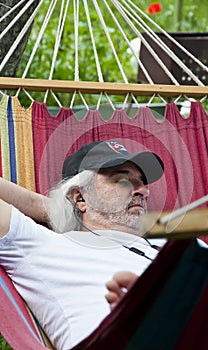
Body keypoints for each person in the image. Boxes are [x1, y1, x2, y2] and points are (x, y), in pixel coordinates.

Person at [0, 140, 166, 350]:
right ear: (80, 197)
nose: (143, 191)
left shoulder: (177, 243)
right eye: (122, 180)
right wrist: (55, 208)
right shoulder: (45, 246)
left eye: (142, 182)